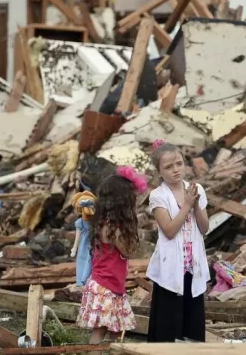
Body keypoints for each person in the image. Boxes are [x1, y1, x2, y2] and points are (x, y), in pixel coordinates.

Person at [146, 139, 211, 343]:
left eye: (179, 164)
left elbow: (204, 228)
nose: (175, 170)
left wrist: (197, 205)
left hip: (192, 264)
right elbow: (169, 230)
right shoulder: (158, 196)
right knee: (168, 323)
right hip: (171, 266)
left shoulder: (196, 189)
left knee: (192, 322)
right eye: (168, 167)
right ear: (159, 172)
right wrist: (187, 205)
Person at [77, 166, 146, 349]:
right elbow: (127, 251)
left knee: (115, 330)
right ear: (122, 202)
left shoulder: (102, 223)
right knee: (101, 331)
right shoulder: (115, 228)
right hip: (106, 287)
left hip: (108, 284)